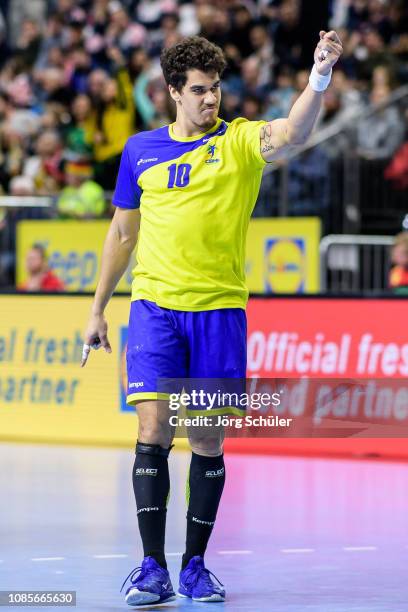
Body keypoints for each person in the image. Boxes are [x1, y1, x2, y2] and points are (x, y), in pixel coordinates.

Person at [82, 32, 343, 606]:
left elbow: (294, 131)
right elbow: (123, 234)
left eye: (216, 89)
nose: (211, 100)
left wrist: (318, 75)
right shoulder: (140, 151)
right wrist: (98, 309)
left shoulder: (240, 141)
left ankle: (195, 566)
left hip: (219, 312)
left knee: (205, 437)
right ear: (173, 92)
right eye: (198, 90)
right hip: (153, 310)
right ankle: (152, 568)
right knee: (153, 429)